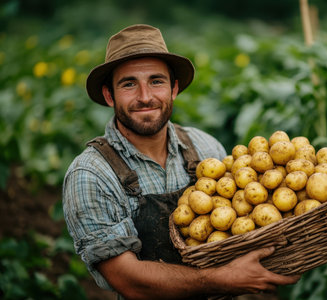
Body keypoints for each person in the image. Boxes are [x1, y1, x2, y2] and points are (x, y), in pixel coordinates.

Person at [62, 24, 300, 300]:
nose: (145, 97)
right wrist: (223, 281)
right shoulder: (90, 174)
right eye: (129, 84)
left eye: (156, 81)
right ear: (108, 95)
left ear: (174, 88)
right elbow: (129, 281)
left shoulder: (206, 147)